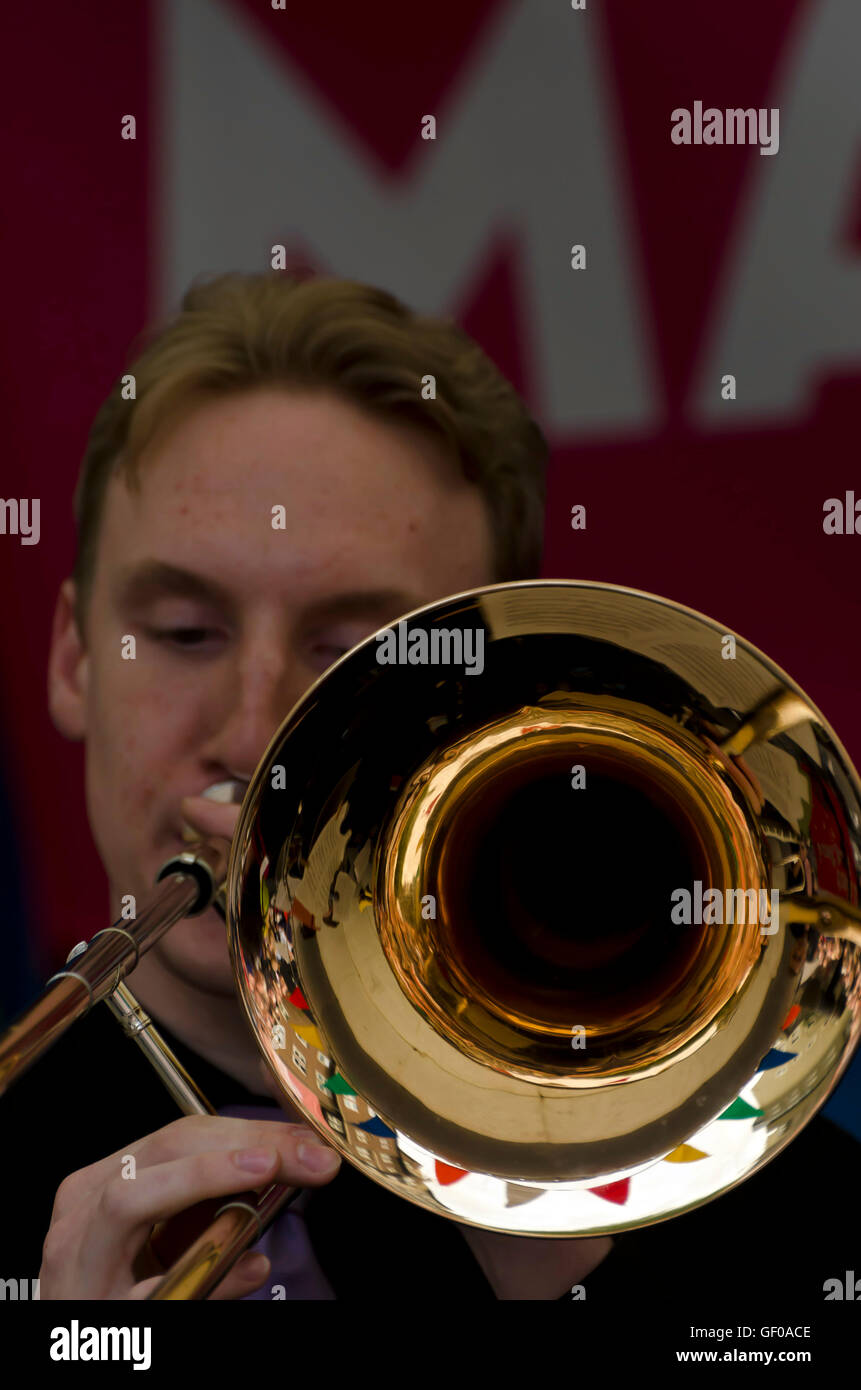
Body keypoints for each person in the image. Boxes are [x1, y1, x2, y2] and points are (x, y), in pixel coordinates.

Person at [2, 272, 857, 1308]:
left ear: (499, 704)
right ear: (73, 661)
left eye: (356, 657)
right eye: (184, 633)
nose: (252, 735)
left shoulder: (785, 1218)